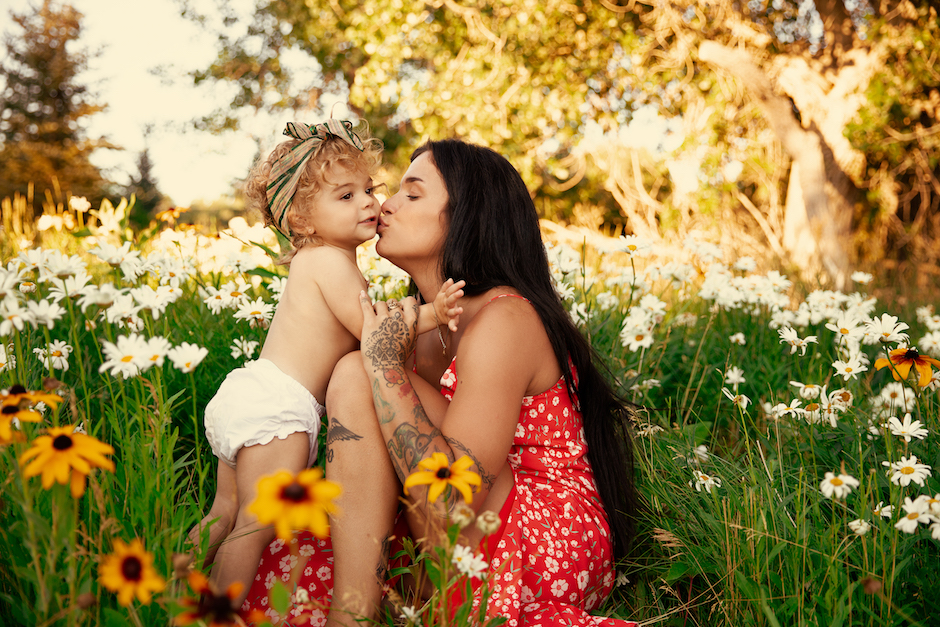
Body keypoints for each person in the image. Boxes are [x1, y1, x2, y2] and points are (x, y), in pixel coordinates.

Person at [240, 139, 638, 627]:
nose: (383, 204)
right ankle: (363, 602)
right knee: (283, 563)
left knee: (360, 373)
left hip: (545, 540)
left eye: (412, 194)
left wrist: (384, 366)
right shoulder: (423, 334)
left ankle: (353, 615)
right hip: (451, 534)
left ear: (467, 215)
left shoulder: (504, 318)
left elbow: (455, 500)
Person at [188, 120, 464, 609]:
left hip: (252, 392)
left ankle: (169, 588)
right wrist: (431, 314)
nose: (368, 203)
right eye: (345, 196)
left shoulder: (315, 261)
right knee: (255, 520)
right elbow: (376, 333)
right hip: (280, 410)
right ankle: (221, 614)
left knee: (223, 512)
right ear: (302, 221)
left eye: (369, 189)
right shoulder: (330, 263)